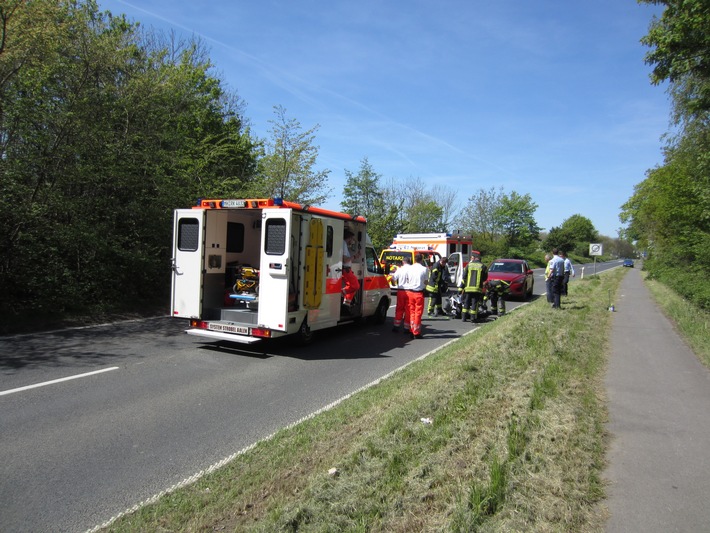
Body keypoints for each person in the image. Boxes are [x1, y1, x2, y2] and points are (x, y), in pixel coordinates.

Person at [402, 253, 429, 339]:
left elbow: (407, 279)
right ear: (421, 260)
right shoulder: (424, 269)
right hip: (418, 293)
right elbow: (426, 282)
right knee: (418, 313)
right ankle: (416, 332)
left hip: (410, 292)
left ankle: (411, 329)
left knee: (411, 312)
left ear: (414, 259)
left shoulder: (410, 269)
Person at [459, 251, 488, 322]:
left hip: (468, 288)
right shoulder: (483, 266)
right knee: (475, 303)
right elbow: (485, 278)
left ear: (474, 258)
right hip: (477, 288)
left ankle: (464, 317)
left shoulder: (469, 265)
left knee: (466, 302)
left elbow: (464, 277)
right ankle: (473, 318)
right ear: (479, 259)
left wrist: (461, 287)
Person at [391, 256, 412, 333]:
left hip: (401, 291)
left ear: (403, 262)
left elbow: (393, 279)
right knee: (408, 309)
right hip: (410, 291)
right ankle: (406, 328)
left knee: (399, 308)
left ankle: (396, 326)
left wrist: (394, 284)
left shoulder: (400, 270)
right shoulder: (413, 269)